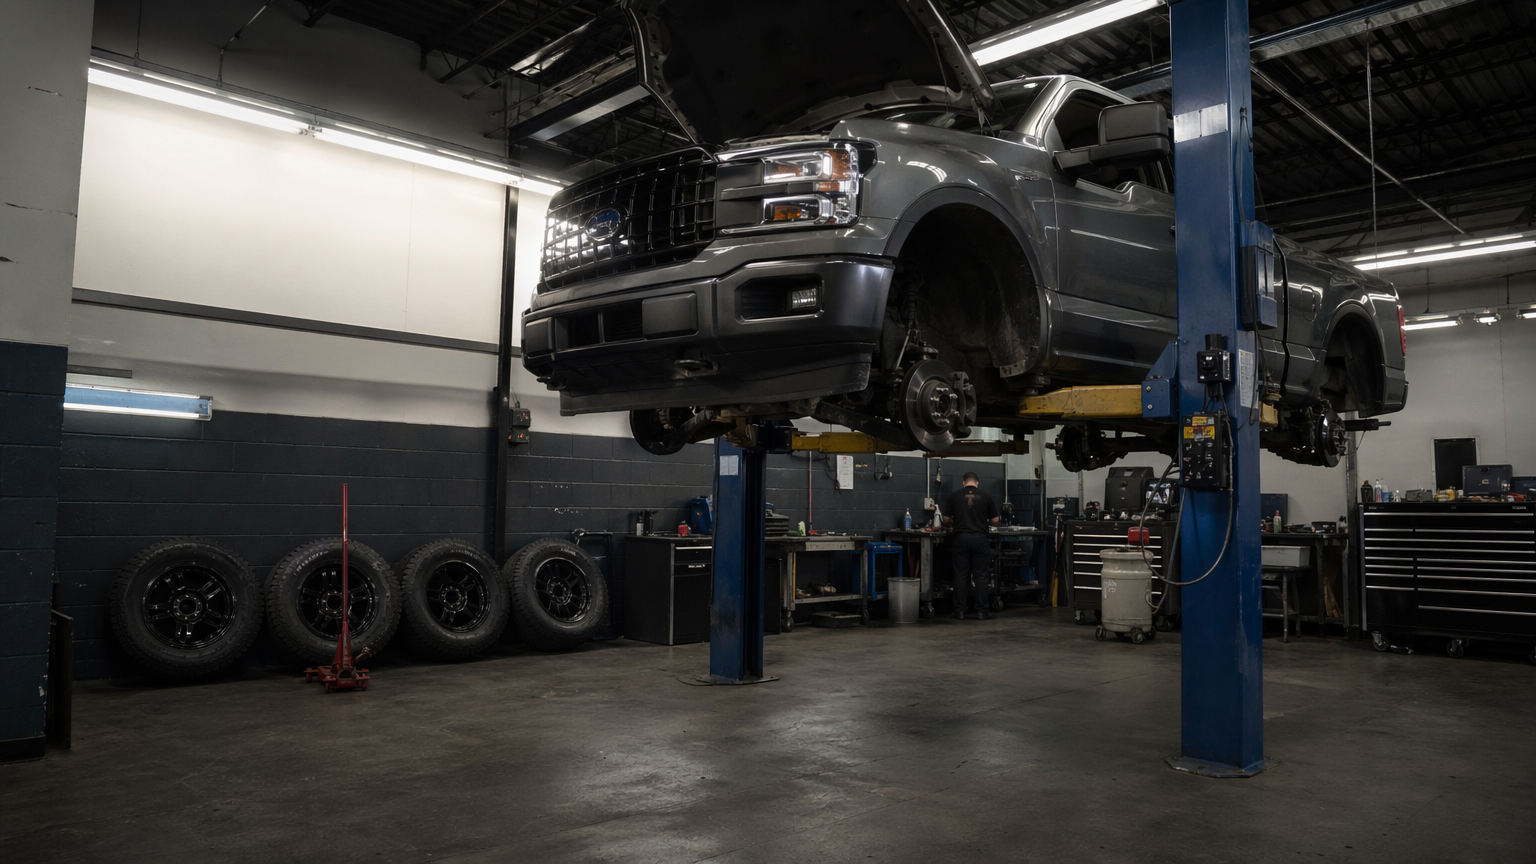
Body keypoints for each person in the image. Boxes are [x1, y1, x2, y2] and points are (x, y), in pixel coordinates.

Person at [944, 472, 999, 619]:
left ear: (963, 483)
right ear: (977, 483)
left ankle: (960, 611)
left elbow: (946, 518)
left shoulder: (954, 496)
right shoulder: (986, 496)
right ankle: (982, 611)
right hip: (980, 539)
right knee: (981, 576)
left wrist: (952, 523)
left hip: (961, 538)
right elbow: (994, 520)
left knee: (961, 576)